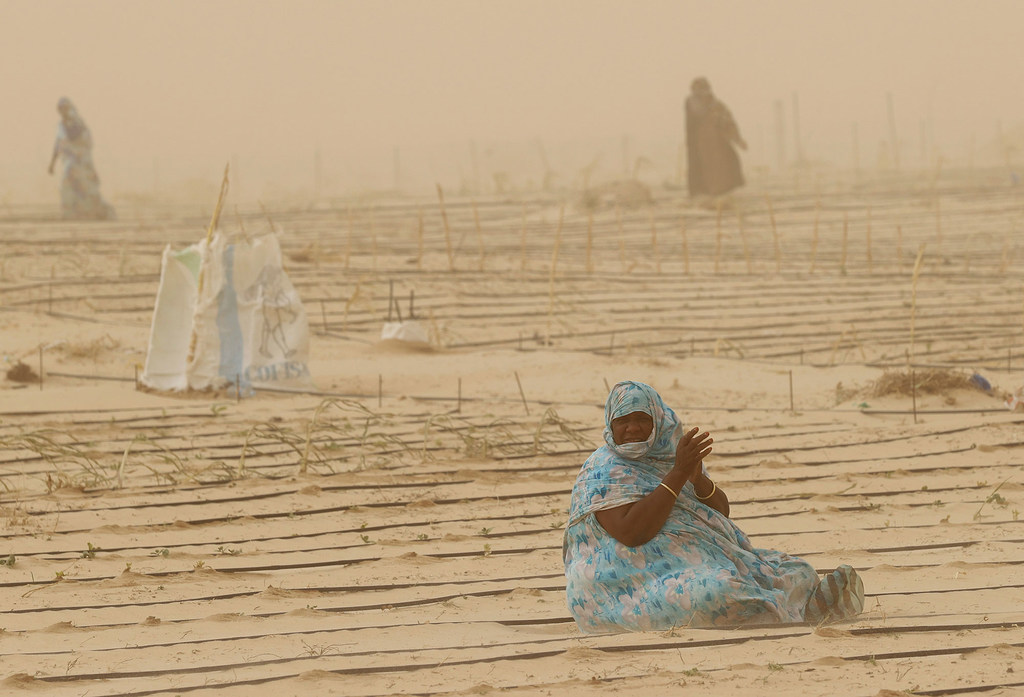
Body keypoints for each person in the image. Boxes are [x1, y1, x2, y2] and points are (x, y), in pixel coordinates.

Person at [563, 380, 864, 632]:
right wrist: (678, 474)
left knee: (797, 571)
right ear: (610, 425)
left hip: (698, 558)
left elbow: (720, 513)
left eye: (642, 418)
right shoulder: (601, 470)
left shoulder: (670, 454)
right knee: (717, 591)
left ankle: (800, 606)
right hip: (624, 582)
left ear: (657, 420)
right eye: (623, 421)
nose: (632, 428)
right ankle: (804, 611)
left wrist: (697, 479)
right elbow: (632, 533)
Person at [47, 97, 114, 220]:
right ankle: (74, 213)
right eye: (61, 109)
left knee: (87, 187)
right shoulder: (62, 125)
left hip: (81, 161)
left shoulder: (77, 123)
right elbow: (58, 144)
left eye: (65, 109)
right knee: (68, 186)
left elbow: (82, 140)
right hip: (70, 161)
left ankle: (98, 212)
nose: (63, 112)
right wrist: (52, 163)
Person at [685, 77, 747, 198]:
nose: (701, 94)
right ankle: (707, 194)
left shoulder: (717, 106)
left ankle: (718, 195)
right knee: (705, 173)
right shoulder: (692, 103)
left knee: (724, 169)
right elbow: (693, 123)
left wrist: (738, 140)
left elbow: (728, 123)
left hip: (718, 144)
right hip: (701, 146)